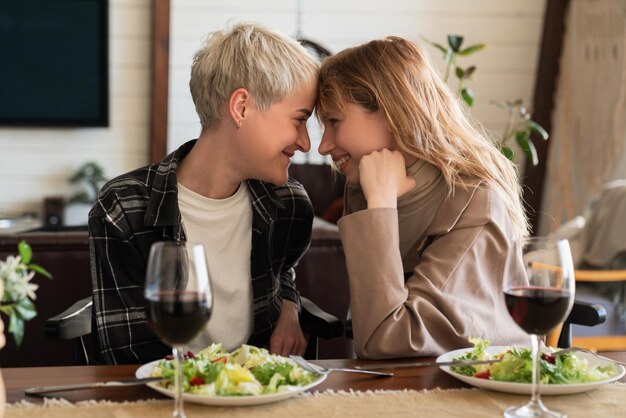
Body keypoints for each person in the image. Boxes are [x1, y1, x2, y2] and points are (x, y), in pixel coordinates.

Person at [89, 23, 318, 364]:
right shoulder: (122, 208)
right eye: (299, 120)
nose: (305, 142)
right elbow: (129, 354)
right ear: (241, 107)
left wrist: (289, 304)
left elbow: (282, 269)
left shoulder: (289, 206)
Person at [316, 36, 529, 359]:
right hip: (404, 381)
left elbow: (385, 339)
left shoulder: (474, 200)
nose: (324, 146)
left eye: (334, 122)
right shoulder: (365, 185)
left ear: (391, 112)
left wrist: (381, 206)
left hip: (486, 384)